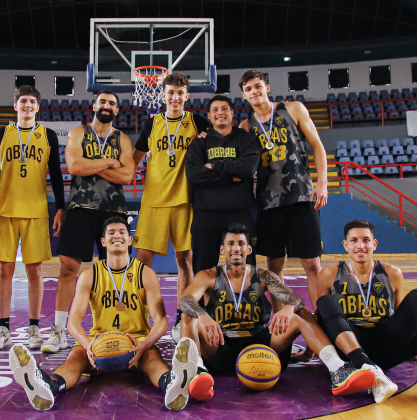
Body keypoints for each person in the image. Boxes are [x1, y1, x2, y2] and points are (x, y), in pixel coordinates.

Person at [9, 216, 201, 411]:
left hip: (135, 342)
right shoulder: (90, 275)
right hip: (98, 342)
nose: (116, 236)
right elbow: (73, 321)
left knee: (152, 358)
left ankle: (172, 384)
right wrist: (88, 345)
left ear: (130, 240)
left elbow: (161, 322)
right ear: (103, 241)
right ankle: (48, 385)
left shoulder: (145, 274)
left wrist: (144, 344)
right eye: (111, 233)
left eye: (121, 232)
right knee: (76, 356)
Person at [177, 223, 375, 401]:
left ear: (249, 249)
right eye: (230, 244)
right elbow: (185, 300)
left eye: (240, 244)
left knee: (301, 313)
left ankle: (338, 369)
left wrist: (288, 308)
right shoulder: (209, 275)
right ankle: (194, 372)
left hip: (261, 344)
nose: (235, 248)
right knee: (189, 316)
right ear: (222, 249)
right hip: (220, 344)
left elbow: (295, 299)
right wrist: (202, 315)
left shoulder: (263, 276)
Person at [316, 219, 417, 402]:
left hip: (386, 345)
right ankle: (368, 369)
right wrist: (312, 349)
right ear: (345, 245)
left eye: (366, 240)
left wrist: (411, 350)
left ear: (374, 244)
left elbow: (401, 313)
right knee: (325, 302)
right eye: (354, 240)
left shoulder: (392, 273)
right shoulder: (330, 274)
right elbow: (323, 317)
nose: (360, 245)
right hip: (350, 350)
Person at [47, 90, 135, 353]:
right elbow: (74, 167)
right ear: (94, 106)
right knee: (68, 268)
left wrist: (92, 164)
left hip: (113, 211)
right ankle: (60, 331)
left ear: (116, 110)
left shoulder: (123, 138)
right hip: (79, 207)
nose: (106, 106)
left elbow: (128, 175)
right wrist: (110, 161)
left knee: (117, 272)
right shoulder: (78, 133)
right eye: (103, 102)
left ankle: (116, 329)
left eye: (112, 103)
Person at [238, 70, 328, 311]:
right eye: (248, 89)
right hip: (268, 203)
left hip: (302, 195)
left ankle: (322, 322)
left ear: (267, 88)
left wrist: (322, 183)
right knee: (274, 266)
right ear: (244, 95)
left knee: (311, 263)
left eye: (257, 86)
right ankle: (281, 329)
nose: (254, 91)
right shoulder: (246, 126)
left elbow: (317, 146)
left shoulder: (293, 109)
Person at [0, 85, 66, 352]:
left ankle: (34, 328)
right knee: (4, 271)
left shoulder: (48, 135)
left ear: (38, 107)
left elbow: (55, 173)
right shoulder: (3, 133)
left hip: (35, 211)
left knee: (35, 271)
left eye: (32, 101)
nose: (28, 105)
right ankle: (3, 328)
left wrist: (61, 208)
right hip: (4, 210)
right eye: (23, 101)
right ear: (16, 106)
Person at [133, 72, 210, 335]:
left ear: (186, 96)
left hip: (185, 200)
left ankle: (181, 318)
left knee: (185, 261)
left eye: (180, 93)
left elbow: (218, 145)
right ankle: (140, 317)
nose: (175, 97)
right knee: (142, 262)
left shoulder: (198, 122)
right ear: (163, 95)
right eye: (170, 92)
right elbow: (134, 159)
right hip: (153, 201)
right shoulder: (152, 123)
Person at [185, 94, 261, 274]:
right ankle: (203, 303)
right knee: (203, 269)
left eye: (224, 109)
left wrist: (213, 166)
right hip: (206, 214)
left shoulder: (246, 139)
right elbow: (194, 174)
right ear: (209, 116)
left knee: (245, 267)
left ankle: (246, 302)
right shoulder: (199, 142)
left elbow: (247, 169)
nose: (220, 113)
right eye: (215, 110)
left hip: (239, 212)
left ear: (232, 113)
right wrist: (230, 175)